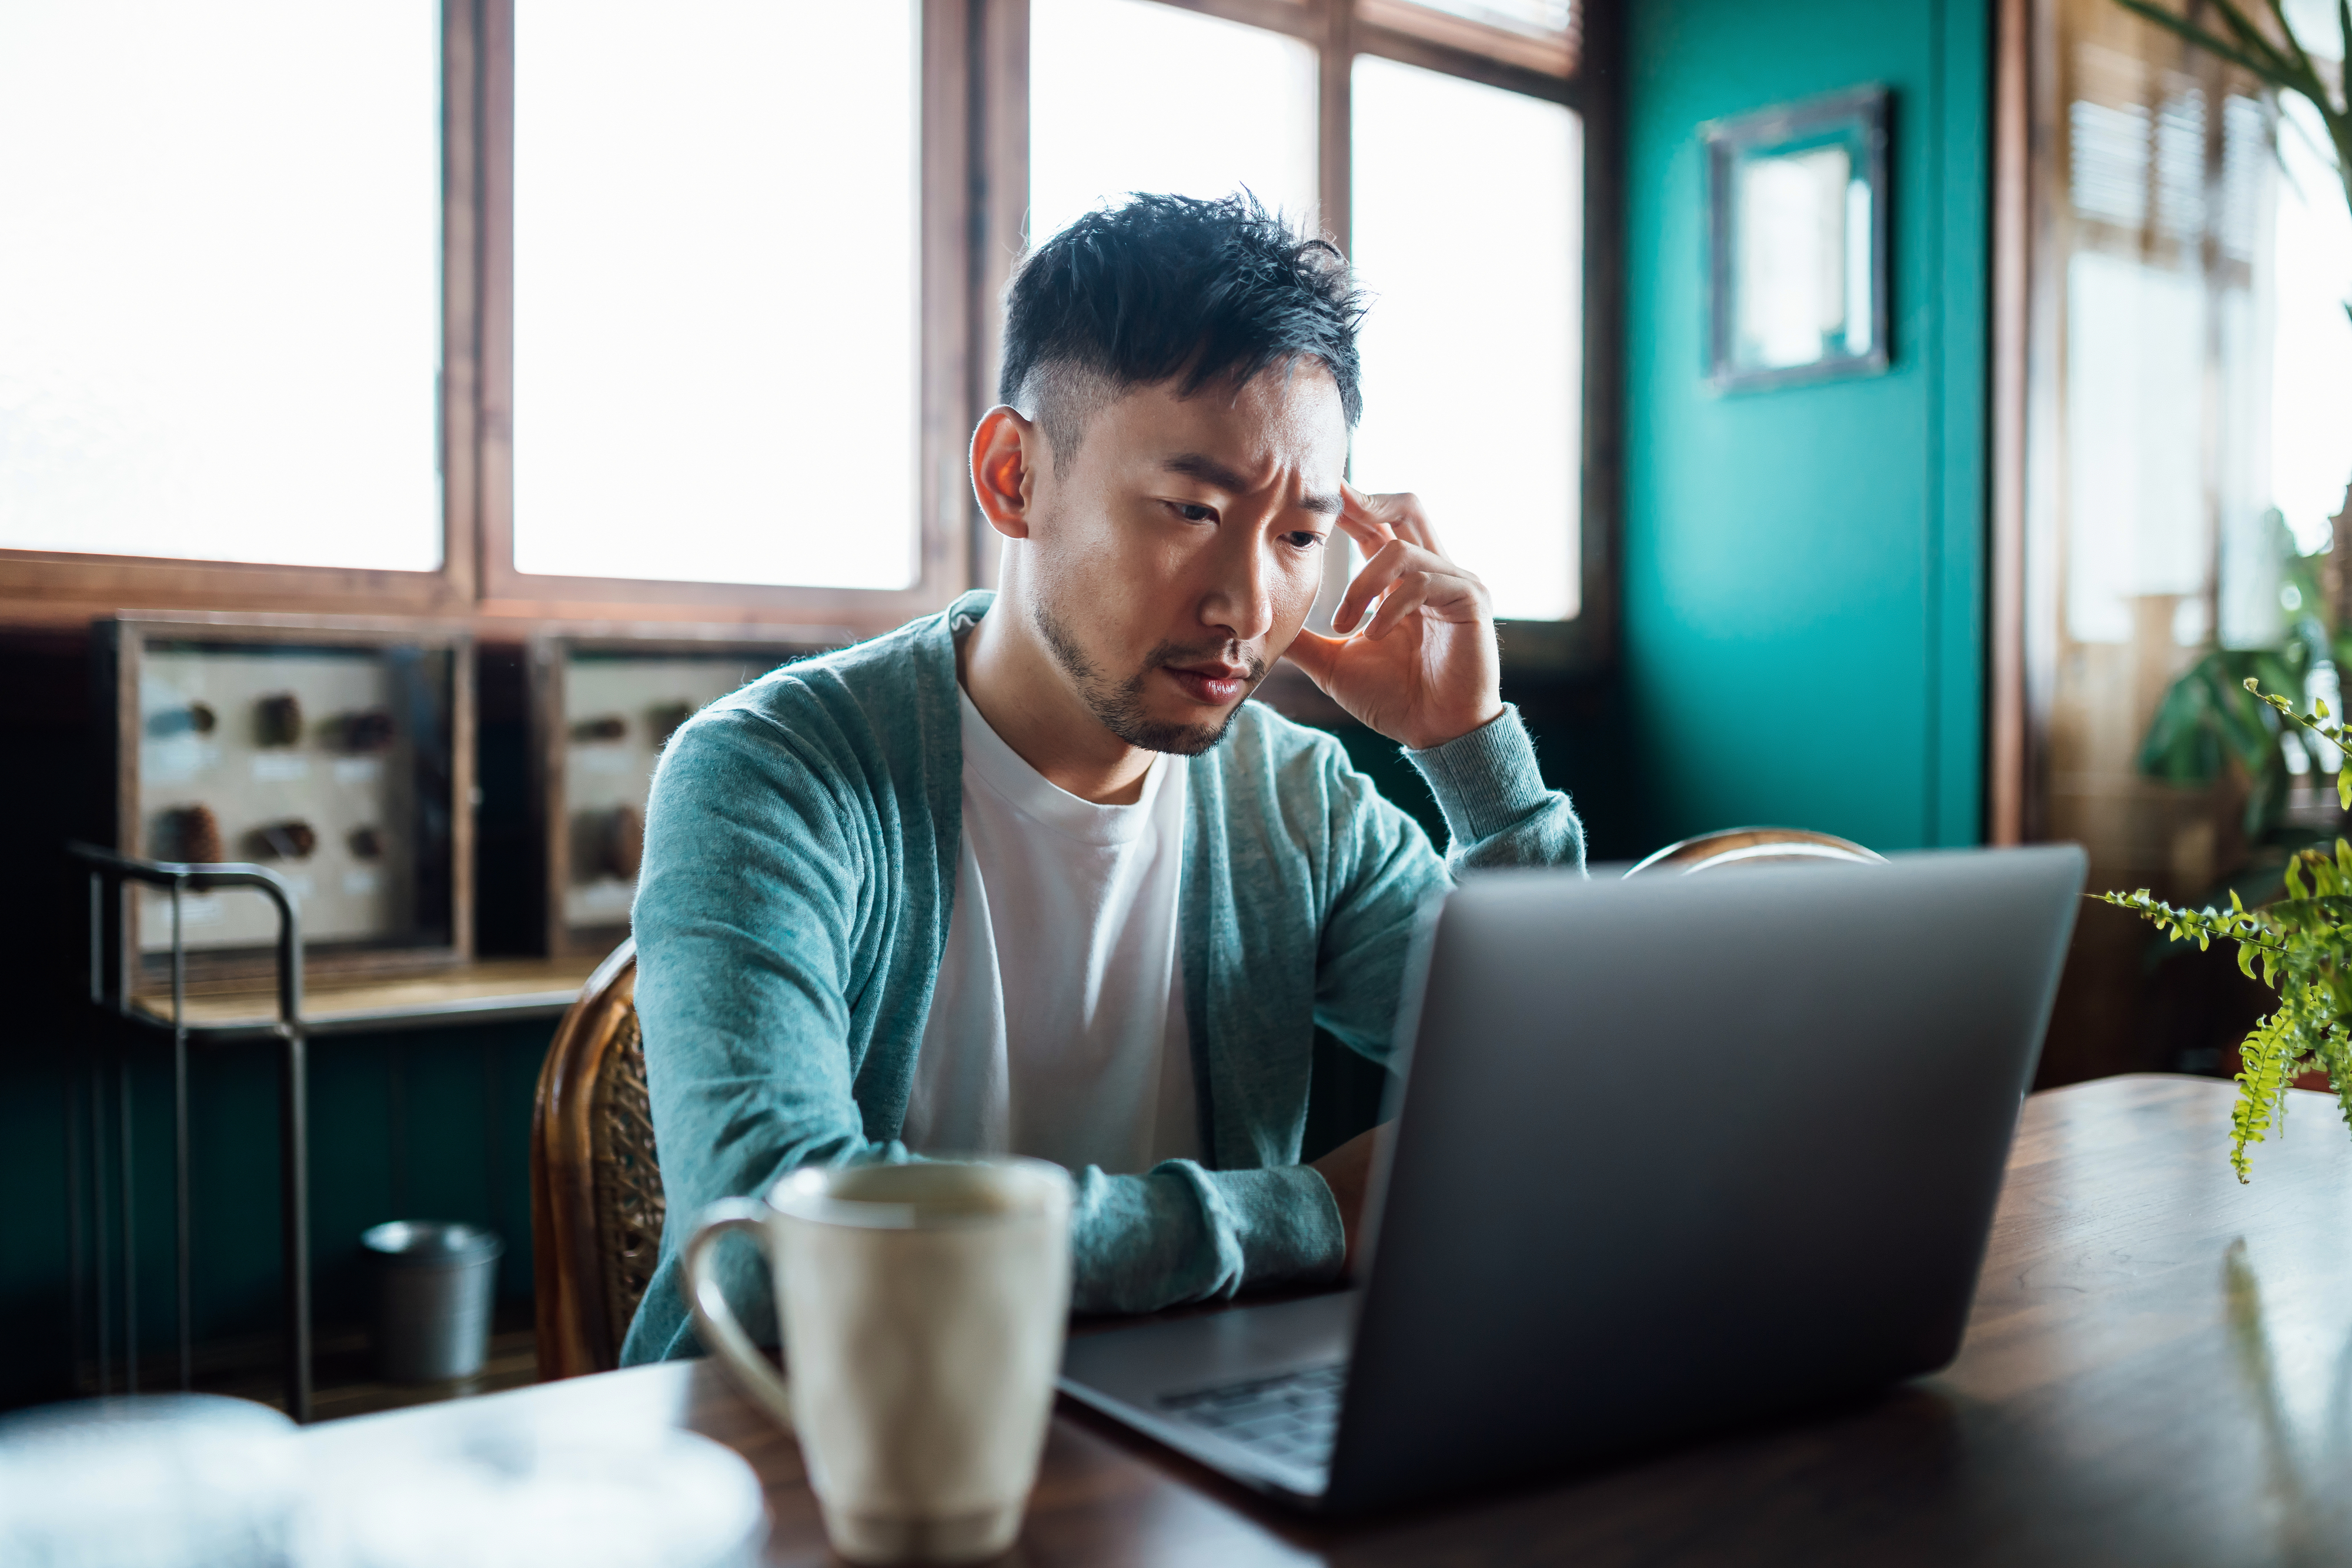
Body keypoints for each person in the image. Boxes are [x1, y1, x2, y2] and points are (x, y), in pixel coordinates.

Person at [620, 192, 1583, 1363]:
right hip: (807, 1453)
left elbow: (1566, 1098)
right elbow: (777, 1250)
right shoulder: (772, 772)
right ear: (1014, 476)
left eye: (1296, 536)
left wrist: (1468, 751)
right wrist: (1313, 1213)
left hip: (1181, 1462)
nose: (1244, 607)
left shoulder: (1299, 802)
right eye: (1189, 508)